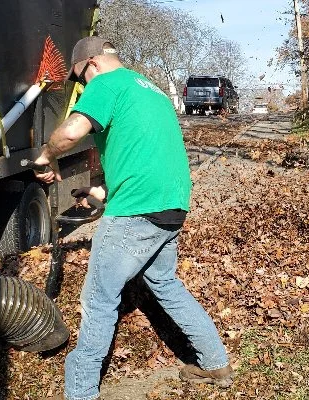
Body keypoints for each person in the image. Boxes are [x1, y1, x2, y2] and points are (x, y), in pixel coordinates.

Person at [34, 36, 233, 400]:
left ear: (91, 64)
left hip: (136, 211)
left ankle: (80, 393)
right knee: (166, 284)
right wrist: (99, 193)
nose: (82, 88)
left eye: (80, 80)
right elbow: (144, 158)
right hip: (170, 206)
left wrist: (47, 155)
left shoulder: (106, 83)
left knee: (98, 299)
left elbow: (71, 131)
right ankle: (215, 362)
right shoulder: (152, 91)